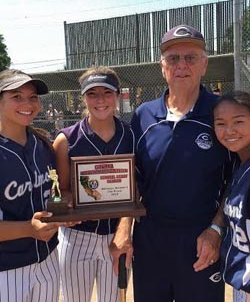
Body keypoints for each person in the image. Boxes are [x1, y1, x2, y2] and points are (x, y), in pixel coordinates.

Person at [111, 24, 238, 302]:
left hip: (201, 240)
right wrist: (124, 229)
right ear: (162, 67)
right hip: (151, 240)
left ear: (204, 64)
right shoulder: (144, 115)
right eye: (173, 58)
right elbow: (131, 179)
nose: (181, 65)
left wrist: (217, 229)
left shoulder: (220, 113)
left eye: (190, 58)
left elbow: (237, 180)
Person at [53, 66, 135, 302]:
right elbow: (63, 191)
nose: (100, 100)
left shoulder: (130, 135)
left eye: (107, 92)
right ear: (83, 98)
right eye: (92, 94)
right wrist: (68, 203)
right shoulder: (66, 139)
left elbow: (136, 188)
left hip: (117, 235)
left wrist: (125, 229)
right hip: (78, 236)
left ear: (118, 95)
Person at [0, 69, 79, 302]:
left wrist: (64, 207)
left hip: (48, 260)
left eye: (33, 97)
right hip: (7, 268)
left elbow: (52, 194)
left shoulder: (43, 145)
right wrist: (28, 229)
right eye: (17, 96)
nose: (28, 103)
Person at [213, 91, 250, 302]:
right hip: (241, 284)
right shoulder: (240, 166)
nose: (229, 131)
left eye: (238, 121)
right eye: (221, 123)